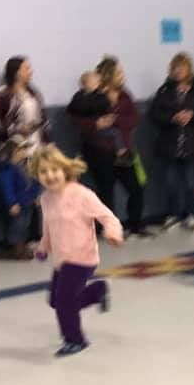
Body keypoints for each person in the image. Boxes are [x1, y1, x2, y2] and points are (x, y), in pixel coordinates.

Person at [31, 144, 123, 358]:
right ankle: (98, 290)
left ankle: (75, 340)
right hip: (61, 260)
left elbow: (107, 216)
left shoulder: (82, 195)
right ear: (37, 176)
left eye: (54, 169)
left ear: (64, 169)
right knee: (56, 301)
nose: (50, 175)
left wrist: (113, 232)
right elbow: (49, 228)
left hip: (82, 258)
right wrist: (43, 247)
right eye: (43, 172)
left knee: (64, 303)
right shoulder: (45, 199)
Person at [69, 56, 151, 238]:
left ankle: (136, 225)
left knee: (136, 187)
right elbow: (76, 119)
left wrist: (114, 122)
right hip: (100, 149)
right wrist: (97, 124)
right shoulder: (90, 96)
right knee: (106, 190)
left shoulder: (124, 96)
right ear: (108, 75)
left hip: (123, 149)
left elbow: (134, 118)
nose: (122, 75)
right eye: (118, 72)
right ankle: (109, 228)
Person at [149, 52, 194, 231]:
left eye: (182, 67)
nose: (178, 71)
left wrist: (193, 116)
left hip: (193, 145)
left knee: (192, 182)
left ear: (189, 69)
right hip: (170, 145)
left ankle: (193, 214)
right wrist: (173, 117)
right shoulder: (164, 91)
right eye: (175, 68)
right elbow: (154, 115)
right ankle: (173, 214)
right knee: (171, 182)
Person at [0, 56, 50, 157]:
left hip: (37, 144)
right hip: (15, 148)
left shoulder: (34, 93)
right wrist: (17, 129)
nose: (31, 71)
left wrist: (48, 142)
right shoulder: (2, 96)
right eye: (26, 69)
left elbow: (43, 119)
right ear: (17, 73)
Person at [0, 138, 41, 259]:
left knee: (25, 225)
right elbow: (7, 188)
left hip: (27, 202)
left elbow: (35, 182)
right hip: (18, 204)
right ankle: (17, 249)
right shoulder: (7, 169)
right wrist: (12, 203)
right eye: (22, 149)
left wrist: (36, 196)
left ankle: (23, 245)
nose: (25, 151)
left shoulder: (26, 166)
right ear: (14, 151)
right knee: (17, 226)